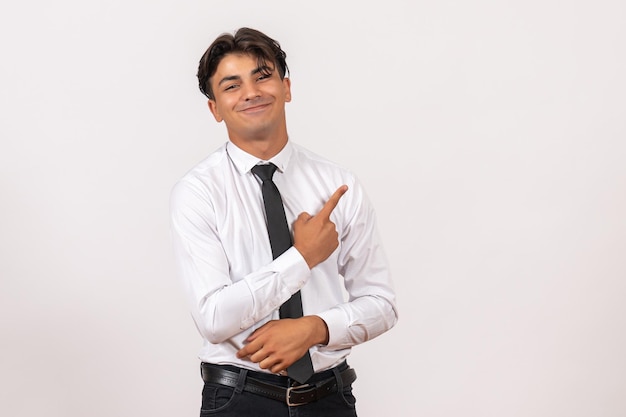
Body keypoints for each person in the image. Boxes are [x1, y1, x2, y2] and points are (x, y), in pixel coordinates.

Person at [170, 27, 398, 417]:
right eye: (232, 85)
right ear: (215, 109)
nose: (252, 92)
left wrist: (316, 328)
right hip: (239, 400)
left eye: (263, 76)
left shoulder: (337, 184)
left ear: (286, 87)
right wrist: (303, 257)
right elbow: (213, 319)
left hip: (330, 399)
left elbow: (382, 304)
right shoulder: (198, 192)